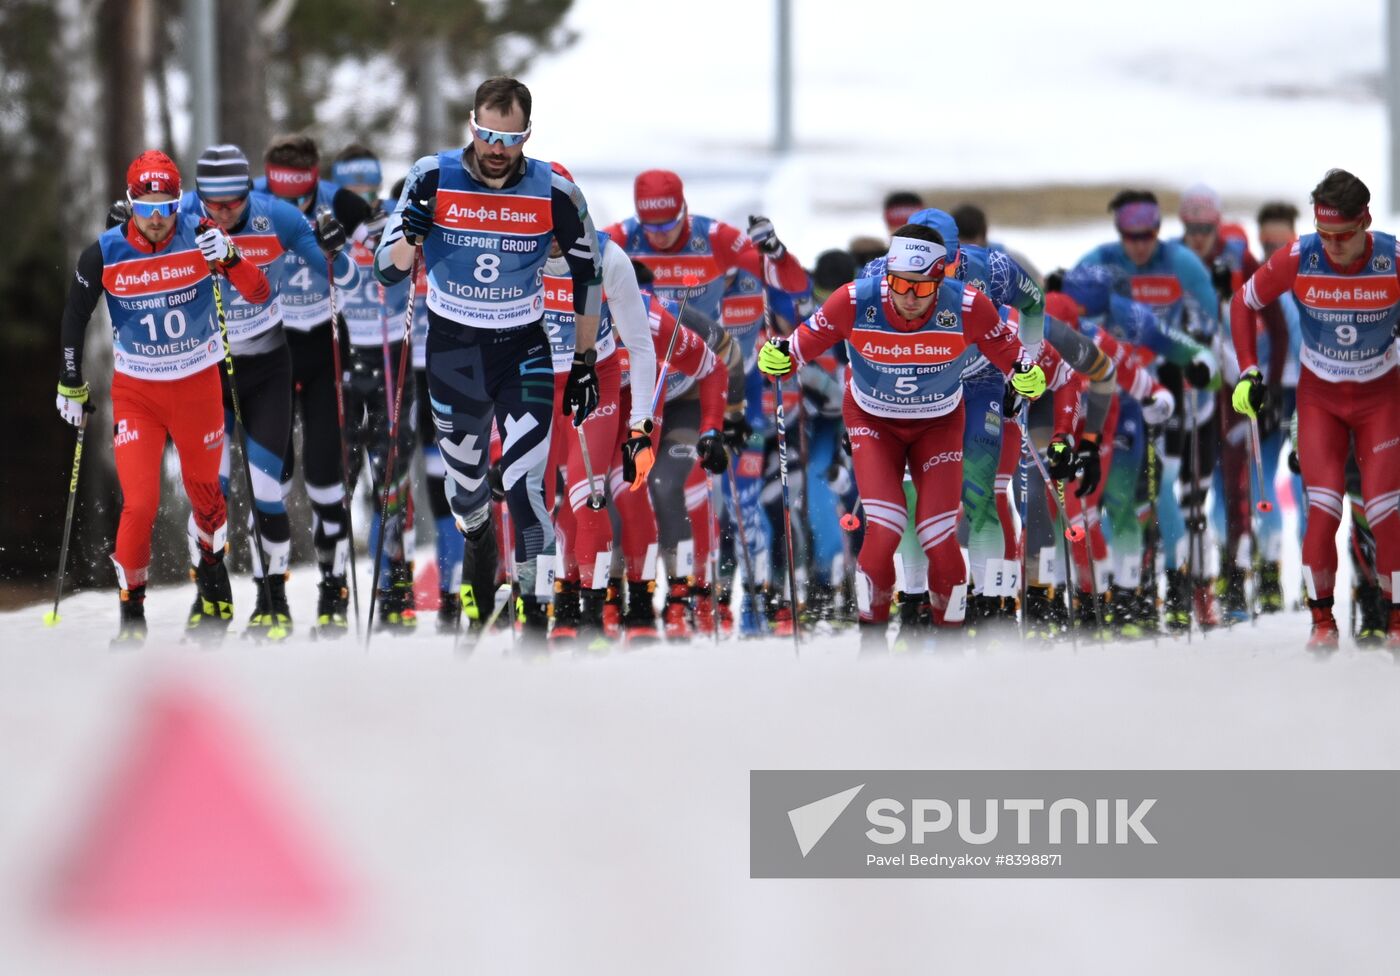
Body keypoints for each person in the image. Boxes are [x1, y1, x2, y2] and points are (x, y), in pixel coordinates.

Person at [375, 76, 612, 638]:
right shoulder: (432, 177)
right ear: (473, 129)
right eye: (487, 135)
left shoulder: (555, 190)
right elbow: (387, 270)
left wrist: (583, 362)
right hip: (455, 352)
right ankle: (479, 538)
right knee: (467, 495)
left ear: (528, 134)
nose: (498, 149)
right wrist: (412, 234)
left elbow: (589, 276)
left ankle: (534, 620)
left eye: (511, 137)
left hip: (522, 349)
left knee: (530, 489)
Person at [757, 225, 1046, 648]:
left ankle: (950, 647)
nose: (908, 297)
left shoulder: (968, 304)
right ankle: (871, 647)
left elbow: (1010, 352)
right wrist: (778, 358)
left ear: (940, 280)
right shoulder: (856, 299)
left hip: (938, 422)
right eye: (899, 284)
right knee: (887, 526)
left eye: (920, 287)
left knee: (937, 535)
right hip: (875, 423)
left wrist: (1026, 373)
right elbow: (799, 345)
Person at [57, 150, 271, 644]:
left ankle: (213, 576)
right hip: (138, 396)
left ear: (179, 203)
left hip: (196, 386)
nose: (156, 217)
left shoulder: (201, 238)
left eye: (166, 205)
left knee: (207, 499)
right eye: (145, 205)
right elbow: (74, 316)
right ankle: (131, 614)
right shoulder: (106, 251)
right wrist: (69, 381)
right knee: (141, 505)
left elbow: (259, 293)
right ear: (129, 202)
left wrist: (231, 256)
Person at [182, 143, 358, 637]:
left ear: (247, 192)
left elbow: (347, 276)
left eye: (231, 204)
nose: (221, 215)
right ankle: (210, 598)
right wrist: (123, 224)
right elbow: (134, 239)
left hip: (267, 365)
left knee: (271, 488)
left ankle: (275, 598)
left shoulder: (275, 217)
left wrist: (334, 249)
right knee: (208, 493)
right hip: (206, 371)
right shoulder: (181, 217)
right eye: (210, 205)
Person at [1231, 168, 1400, 651]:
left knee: (1386, 512)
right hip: (1320, 398)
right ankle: (1321, 624)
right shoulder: (1300, 255)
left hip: (1380, 398)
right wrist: (1249, 371)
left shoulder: (1391, 257)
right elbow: (1242, 303)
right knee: (1323, 510)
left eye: (1342, 237)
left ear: (1364, 223)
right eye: (1323, 234)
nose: (1331, 246)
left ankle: (1394, 620)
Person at [253, 133, 368, 632]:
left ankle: (333, 588)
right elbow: (191, 213)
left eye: (301, 198)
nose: (293, 208)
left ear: (315, 180)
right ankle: (270, 592)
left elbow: (386, 231)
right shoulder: (251, 196)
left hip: (325, 343)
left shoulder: (339, 201)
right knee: (271, 477)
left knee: (325, 479)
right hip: (272, 347)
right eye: (283, 198)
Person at [540, 161, 658, 645]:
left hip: (595, 377)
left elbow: (643, 346)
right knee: (533, 495)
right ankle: (546, 605)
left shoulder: (609, 259)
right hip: (533, 379)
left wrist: (640, 429)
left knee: (588, 493)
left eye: (559, 225)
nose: (548, 239)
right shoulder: (511, 249)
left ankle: (592, 613)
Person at [1175, 184, 1288, 623]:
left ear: (1217, 223)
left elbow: (1276, 328)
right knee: (1196, 484)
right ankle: (1195, 578)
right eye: (1190, 227)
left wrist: (1272, 387)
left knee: (1237, 482)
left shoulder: (1240, 257)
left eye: (1205, 227)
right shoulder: (1177, 259)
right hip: (1196, 389)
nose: (1198, 235)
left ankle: (1237, 577)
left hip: (1238, 389)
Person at [332, 142, 420, 631]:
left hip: (391, 351)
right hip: (348, 350)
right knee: (342, 473)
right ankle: (339, 587)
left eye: (369, 182)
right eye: (352, 185)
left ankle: (395, 585)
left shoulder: (390, 217)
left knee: (391, 473)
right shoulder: (330, 221)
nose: (362, 193)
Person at [1255, 200, 1304, 611]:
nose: (1273, 249)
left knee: (1308, 482)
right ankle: (1269, 573)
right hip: (1270, 393)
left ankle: (1311, 577)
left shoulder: (1309, 275)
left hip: (1306, 394)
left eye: (1281, 241)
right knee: (1262, 480)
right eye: (1266, 242)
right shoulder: (1256, 279)